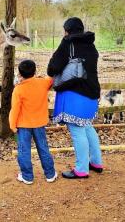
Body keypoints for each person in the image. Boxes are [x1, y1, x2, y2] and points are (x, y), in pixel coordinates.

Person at [47, 17, 103, 179]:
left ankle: (81, 169)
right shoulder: (91, 44)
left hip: (74, 94)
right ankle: (96, 162)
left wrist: (53, 59)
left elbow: (53, 68)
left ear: (67, 30)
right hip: (92, 92)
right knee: (87, 127)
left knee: (78, 132)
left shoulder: (68, 43)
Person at [9, 60, 57, 185]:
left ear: (19, 74)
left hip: (23, 125)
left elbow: (15, 109)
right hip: (39, 123)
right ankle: (50, 174)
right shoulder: (42, 83)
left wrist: (12, 125)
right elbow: (51, 79)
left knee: (24, 150)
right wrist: (40, 77)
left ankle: (27, 176)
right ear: (35, 71)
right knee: (43, 148)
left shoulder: (18, 90)